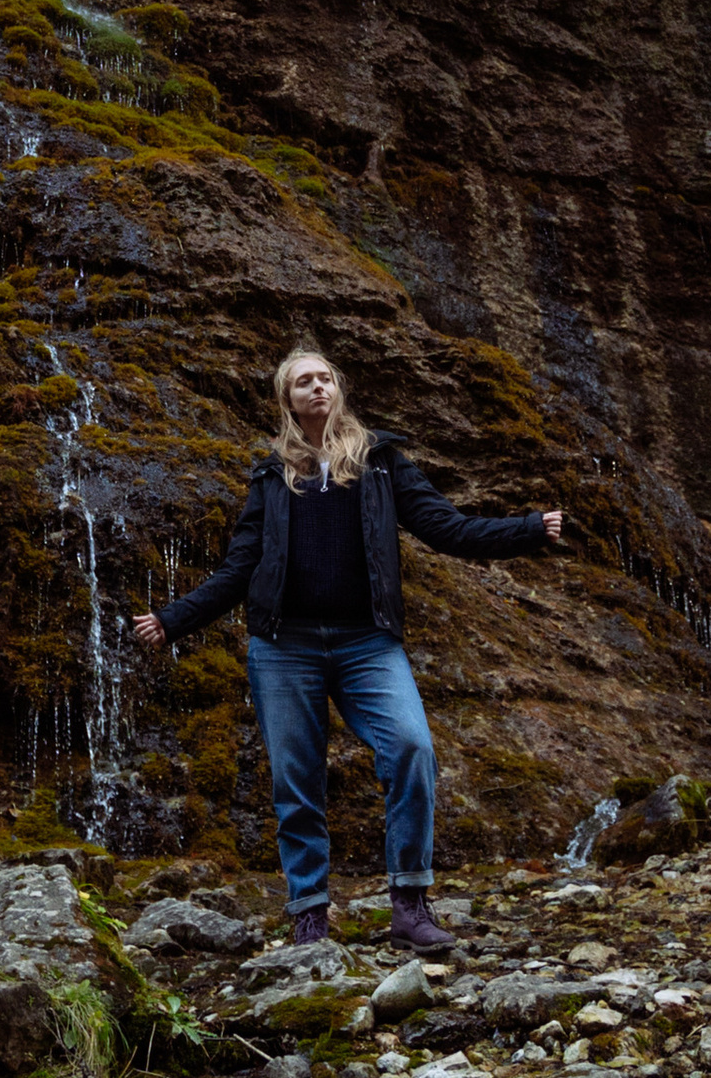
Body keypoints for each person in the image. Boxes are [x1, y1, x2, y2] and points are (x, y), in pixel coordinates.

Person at [131, 342, 564, 952]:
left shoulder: (382, 462)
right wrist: (174, 620)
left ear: (338, 389)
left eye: (325, 377)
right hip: (285, 647)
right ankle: (309, 914)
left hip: (367, 643)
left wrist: (526, 528)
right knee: (296, 779)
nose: (317, 387)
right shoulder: (269, 476)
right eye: (303, 381)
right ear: (288, 400)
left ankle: (410, 905)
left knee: (412, 747)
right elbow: (239, 568)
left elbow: (447, 527)